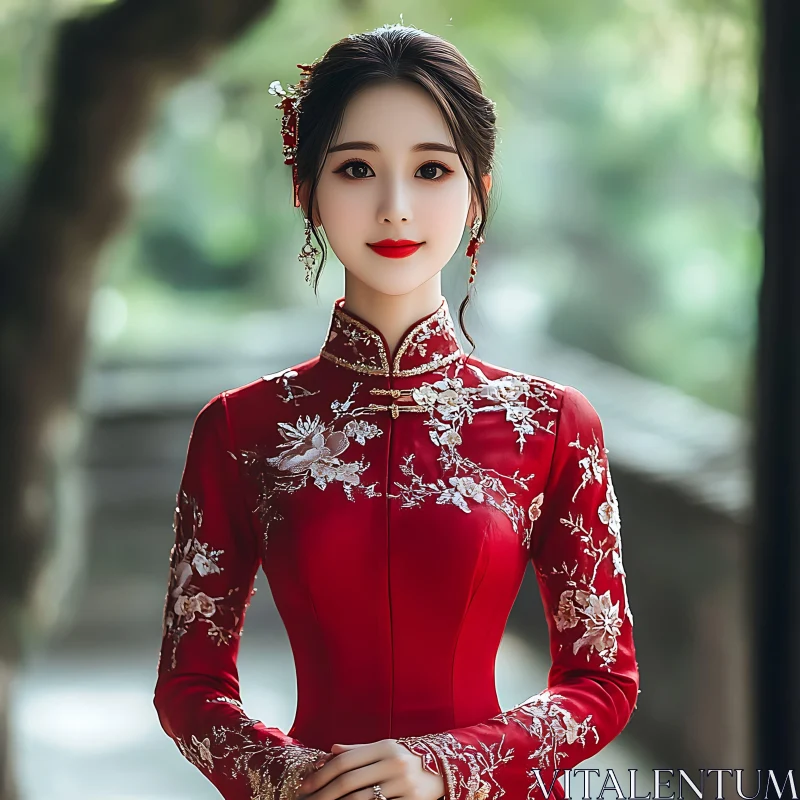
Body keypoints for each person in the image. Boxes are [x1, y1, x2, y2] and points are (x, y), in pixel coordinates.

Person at [152, 23, 640, 800]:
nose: (395, 207)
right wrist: (293, 776)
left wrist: (450, 766)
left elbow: (603, 678)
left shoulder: (550, 426)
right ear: (305, 189)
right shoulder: (240, 431)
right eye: (355, 168)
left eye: (432, 169)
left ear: (478, 191)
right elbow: (189, 684)